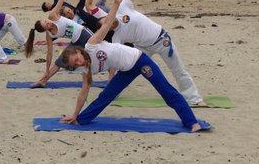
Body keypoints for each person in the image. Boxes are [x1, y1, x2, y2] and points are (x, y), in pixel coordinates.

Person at [99, 0, 203, 105]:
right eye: (106, 23)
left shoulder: (122, 7)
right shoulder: (117, 38)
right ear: (106, 28)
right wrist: (110, 80)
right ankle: (111, 94)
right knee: (127, 72)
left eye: (107, 17)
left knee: (177, 69)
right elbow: (116, 62)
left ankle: (194, 99)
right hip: (142, 48)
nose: (109, 20)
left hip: (161, 39)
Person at [58, 43, 202, 132]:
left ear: (78, 52)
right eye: (74, 64)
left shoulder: (92, 45)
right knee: (105, 96)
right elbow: (84, 92)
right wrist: (75, 114)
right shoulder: (85, 69)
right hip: (126, 71)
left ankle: (191, 122)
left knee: (166, 90)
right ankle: (82, 119)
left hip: (140, 61)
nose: (78, 63)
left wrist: (115, 4)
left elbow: (107, 23)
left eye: (77, 59)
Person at [25, 0, 125, 87]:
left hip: (83, 33)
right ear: (45, 29)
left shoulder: (53, 15)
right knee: (60, 61)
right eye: (46, 25)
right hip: (75, 41)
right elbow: (49, 54)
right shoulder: (49, 35)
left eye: (46, 21)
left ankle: (111, 80)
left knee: (101, 52)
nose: (48, 23)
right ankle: (43, 81)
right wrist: (46, 70)